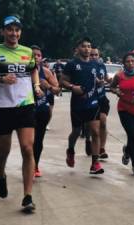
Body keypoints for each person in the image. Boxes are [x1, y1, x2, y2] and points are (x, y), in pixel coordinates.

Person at [0, 16, 42, 212]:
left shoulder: (27, 52)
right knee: (4, 151)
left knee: (27, 148)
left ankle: (27, 196)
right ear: (3, 32)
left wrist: (36, 85)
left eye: (17, 30)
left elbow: (33, 70)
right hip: (3, 107)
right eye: (10, 29)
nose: (14, 33)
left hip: (25, 105)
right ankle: (1, 174)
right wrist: (1, 79)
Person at [61, 37, 104, 174]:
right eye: (84, 46)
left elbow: (94, 78)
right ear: (78, 48)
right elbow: (63, 81)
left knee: (95, 132)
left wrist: (99, 82)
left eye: (89, 46)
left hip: (93, 102)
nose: (87, 49)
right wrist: (73, 87)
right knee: (76, 132)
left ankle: (95, 163)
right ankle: (70, 150)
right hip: (78, 104)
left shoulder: (94, 64)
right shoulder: (72, 64)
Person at [110, 52, 134, 175]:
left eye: (132, 61)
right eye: (128, 61)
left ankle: (127, 151)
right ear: (124, 63)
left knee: (132, 137)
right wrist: (116, 91)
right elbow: (112, 87)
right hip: (124, 108)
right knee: (131, 135)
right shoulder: (119, 75)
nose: (130, 63)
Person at [31, 45, 60, 177]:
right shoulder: (23, 71)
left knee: (38, 140)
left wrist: (47, 85)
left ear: (41, 58)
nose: (36, 57)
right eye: (33, 55)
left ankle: (35, 165)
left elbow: (57, 89)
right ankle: (29, 163)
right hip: (26, 110)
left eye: (38, 55)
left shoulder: (46, 72)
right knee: (27, 142)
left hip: (42, 109)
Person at [90, 47, 110, 159]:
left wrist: (110, 81)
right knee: (92, 127)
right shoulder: (86, 66)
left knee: (103, 122)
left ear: (99, 55)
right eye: (92, 55)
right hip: (89, 99)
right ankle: (89, 140)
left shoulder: (102, 66)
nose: (93, 57)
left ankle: (102, 148)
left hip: (101, 98)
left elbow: (106, 78)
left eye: (96, 55)